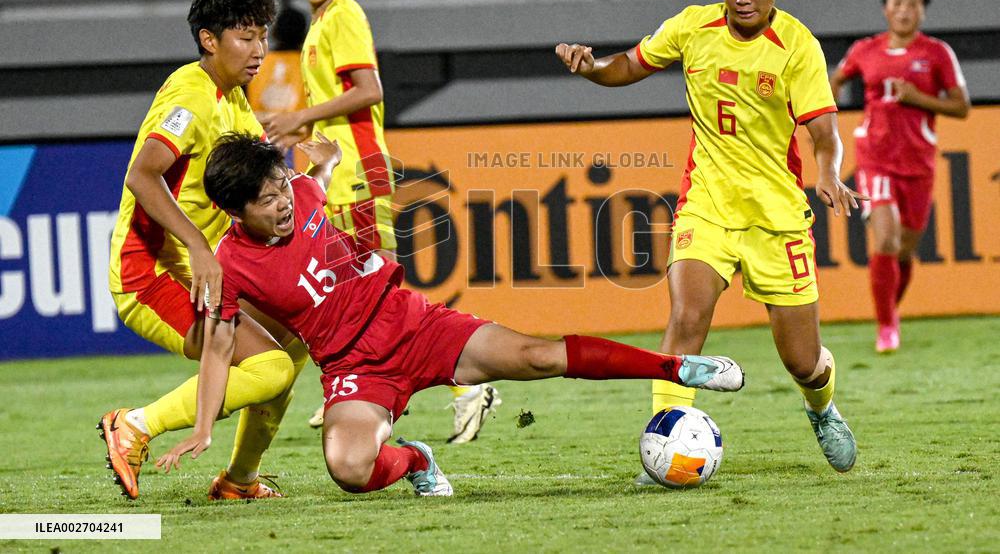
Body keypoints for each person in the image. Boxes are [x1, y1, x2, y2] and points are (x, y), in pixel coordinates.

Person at [154, 132, 746, 497]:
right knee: (349, 469)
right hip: (355, 369)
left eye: (282, 187)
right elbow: (219, 349)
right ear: (236, 211)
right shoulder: (229, 264)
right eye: (267, 201)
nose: (284, 203)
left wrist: (327, 158)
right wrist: (204, 427)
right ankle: (418, 458)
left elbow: (318, 175)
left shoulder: (302, 193)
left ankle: (678, 368)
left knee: (538, 356)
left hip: (414, 324)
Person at [555, 0, 863, 479]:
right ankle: (664, 441)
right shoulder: (693, 27)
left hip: (776, 218)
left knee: (802, 361)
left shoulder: (798, 47)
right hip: (707, 206)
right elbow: (628, 64)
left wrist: (829, 172)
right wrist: (590, 67)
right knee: (687, 316)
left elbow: (824, 131)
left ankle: (821, 407)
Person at [262, 0, 501, 440]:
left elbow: (370, 90)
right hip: (338, 172)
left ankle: (465, 385)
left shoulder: (344, 16)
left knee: (377, 290)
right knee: (349, 288)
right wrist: (300, 129)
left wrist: (301, 117)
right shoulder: (320, 22)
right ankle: (357, 383)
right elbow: (341, 102)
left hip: (359, 172)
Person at [101, 0, 311, 501]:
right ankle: (134, 425)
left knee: (295, 338)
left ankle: (239, 480)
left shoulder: (234, 98)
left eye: (263, 36)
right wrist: (198, 246)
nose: (260, 50)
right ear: (208, 40)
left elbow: (264, 182)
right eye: (245, 37)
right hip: (150, 275)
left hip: (203, 272)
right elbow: (142, 175)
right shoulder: (190, 97)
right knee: (269, 367)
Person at [830, 0, 970, 354]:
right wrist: (824, 117)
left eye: (913, 4)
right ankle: (887, 327)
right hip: (875, 156)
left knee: (905, 248)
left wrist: (919, 99)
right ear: (885, 9)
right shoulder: (865, 50)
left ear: (922, 11)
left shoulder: (937, 53)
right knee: (886, 238)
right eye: (898, 3)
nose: (905, 10)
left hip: (918, 161)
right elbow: (835, 81)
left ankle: (889, 310)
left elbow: (962, 106)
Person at [246, 7, 310, 171]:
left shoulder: (255, 63)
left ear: (273, 33)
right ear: (305, 33)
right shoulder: (309, 64)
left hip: (260, 144)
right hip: (300, 148)